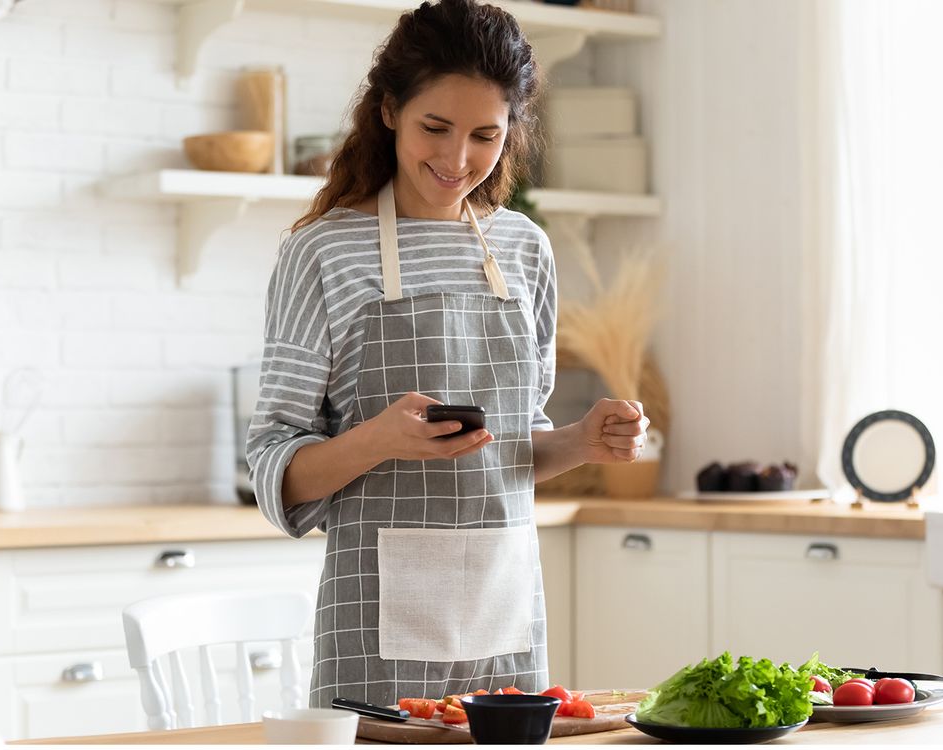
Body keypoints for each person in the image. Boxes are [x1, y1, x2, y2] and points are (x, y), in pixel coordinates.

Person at [247, 0, 649, 709]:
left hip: (504, 614)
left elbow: (512, 452)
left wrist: (584, 440)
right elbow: (276, 469)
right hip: (374, 626)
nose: (456, 159)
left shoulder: (525, 249)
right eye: (436, 127)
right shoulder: (323, 251)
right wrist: (379, 439)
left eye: (485, 135)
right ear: (390, 111)